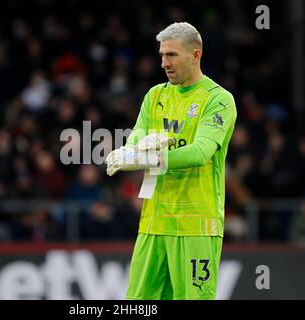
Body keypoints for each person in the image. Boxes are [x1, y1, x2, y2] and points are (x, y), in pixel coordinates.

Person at [106, 22, 237, 300]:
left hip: (196, 224)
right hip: (154, 222)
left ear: (195, 55)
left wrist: (153, 157)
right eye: (162, 55)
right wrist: (128, 153)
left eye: (172, 55)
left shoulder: (218, 100)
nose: (164, 63)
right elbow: (136, 140)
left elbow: (201, 152)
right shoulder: (155, 96)